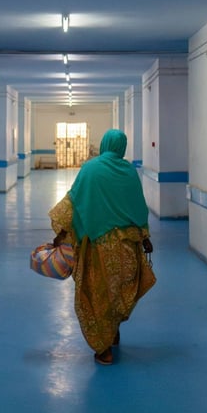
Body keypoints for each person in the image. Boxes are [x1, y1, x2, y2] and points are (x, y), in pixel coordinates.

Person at [49, 129, 155, 365]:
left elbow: (74, 202)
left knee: (98, 294)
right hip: (126, 247)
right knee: (118, 291)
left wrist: (62, 234)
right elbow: (138, 207)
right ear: (122, 147)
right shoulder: (129, 171)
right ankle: (113, 329)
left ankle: (103, 347)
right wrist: (145, 237)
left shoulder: (90, 169)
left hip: (98, 247)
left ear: (105, 144)